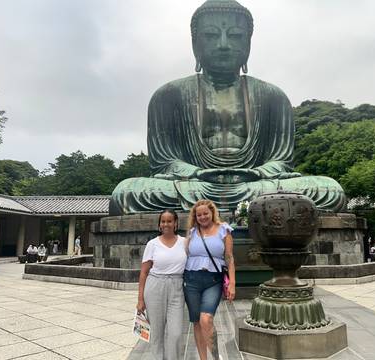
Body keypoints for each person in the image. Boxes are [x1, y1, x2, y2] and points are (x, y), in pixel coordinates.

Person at [109, 0, 346, 215]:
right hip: (194, 184)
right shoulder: (169, 96)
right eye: (211, 35)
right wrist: (195, 173)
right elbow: (165, 162)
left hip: (257, 184)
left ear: (248, 43)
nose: (223, 44)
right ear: (195, 43)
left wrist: (259, 173)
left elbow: (281, 161)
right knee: (126, 194)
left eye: (234, 35)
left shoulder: (273, 97)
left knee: (329, 190)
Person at [184, 199, 235, 360]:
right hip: (191, 278)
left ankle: (215, 356)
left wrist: (232, 283)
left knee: (206, 319)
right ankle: (203, 358)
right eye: (199, 215)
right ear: (195, 217)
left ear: (212, 212)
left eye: (206, 213)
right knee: (197, 322)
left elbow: (229, 258)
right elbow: (183, 254)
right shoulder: (192, 232)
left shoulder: (224, 230)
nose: (203, 217)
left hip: (213, 279)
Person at [136, 210, 187, 359]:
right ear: (159, 224)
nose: (166, 224)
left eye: (169, 221)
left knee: (176, 333)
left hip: (177, 287)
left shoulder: (184, 242)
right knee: (157, 333)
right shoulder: (152, 244)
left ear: (176, 223)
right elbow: (144, 273)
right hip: (155, 287)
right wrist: (140, 299)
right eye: (163, 221)